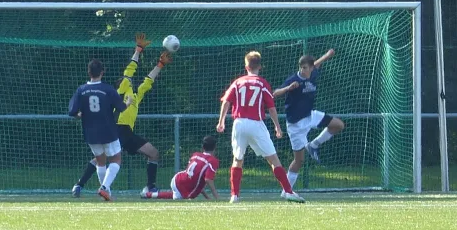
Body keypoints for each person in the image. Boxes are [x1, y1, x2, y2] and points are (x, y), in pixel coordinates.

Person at [71, 33, 172, 198]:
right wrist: (138, 51)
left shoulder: (136, 95)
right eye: (125, 81)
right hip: (115, 130)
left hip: (128, 133)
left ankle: (150, 187)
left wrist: (160, 65)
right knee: (100, 160)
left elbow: (148, 80)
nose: (129, 81)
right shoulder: (119, 91)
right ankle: (80, 185)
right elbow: (129, 71)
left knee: (153, 153)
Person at [216, 51, 305, 203]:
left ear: (246, 66)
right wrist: (277, 127)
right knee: (273, 160)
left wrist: (221, 121)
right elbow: (271, 108)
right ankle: (288, 191)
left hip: (239, 124)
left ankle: (234, 195)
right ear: (260, 66)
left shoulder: (237, 82)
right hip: (256, 124)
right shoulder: (262, 83)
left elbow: (226, 102)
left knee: (237, 159)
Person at [273, 49, 345, 194]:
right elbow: (275, 93)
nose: (303, 70)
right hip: (296, 125)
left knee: (338, 125)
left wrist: (326, 56)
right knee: (299, 161)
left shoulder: (313, 73)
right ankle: (286, 191)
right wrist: (288, 88)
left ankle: (314, 145)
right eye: (301, 67)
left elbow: (317, 64)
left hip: (310, 115)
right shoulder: (295, 79)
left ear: (311, 68)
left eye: (305, 67)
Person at [68, 59, 133, 201]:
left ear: (88, 72)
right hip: (108, 130)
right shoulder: (107, 89)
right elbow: (121, 108)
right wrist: (128, 103)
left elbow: (72, 111)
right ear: (102, 72)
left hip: (90, 133)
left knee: (100, 161)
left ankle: (106, 191)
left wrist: (80, 115)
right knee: (116, 159)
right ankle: (104, 187)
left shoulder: (81, 90)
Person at [144, 135, 219, 200]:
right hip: (184, 186)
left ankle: (147, 194)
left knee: (177, 195)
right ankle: (147, 194)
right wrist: (217, 198)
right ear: (215, 147)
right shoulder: (213, 161)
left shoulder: (196, 155)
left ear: (202, 147)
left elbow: (195, 178)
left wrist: (207, 197)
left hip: (178, 178)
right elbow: (208, 179)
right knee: (178, 198)